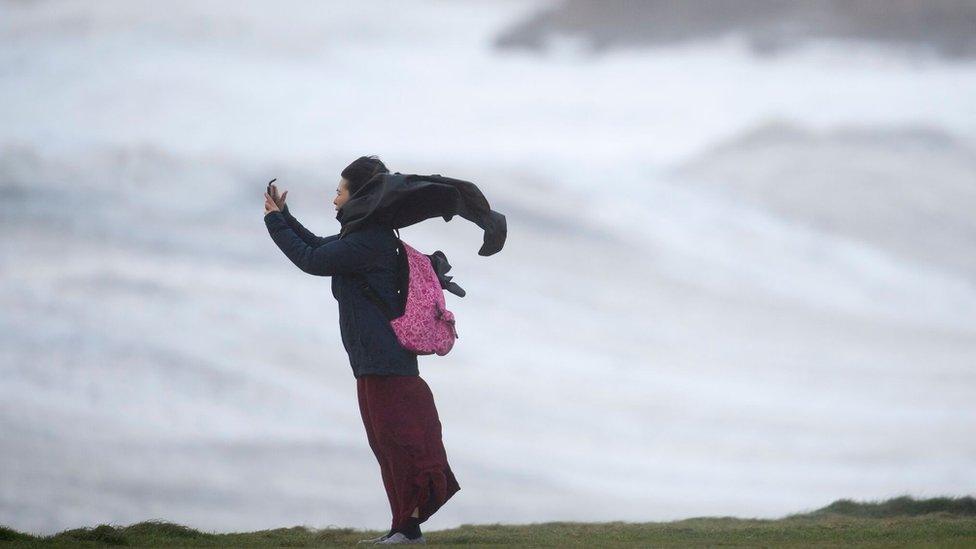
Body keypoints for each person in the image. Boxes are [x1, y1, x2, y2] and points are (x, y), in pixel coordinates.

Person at [263, 155, 460, 545]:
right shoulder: (365, 235)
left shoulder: (368, 241)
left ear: (358, 196)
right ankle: (403, 529)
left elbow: (311, 260)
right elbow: (319, 246)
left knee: (397, 445)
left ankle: (407, 530)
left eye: (340, 191)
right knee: (385, 446)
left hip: (387, 364)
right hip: (374, 362)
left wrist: (273, 222)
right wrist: (284, 216)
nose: (334, 199)